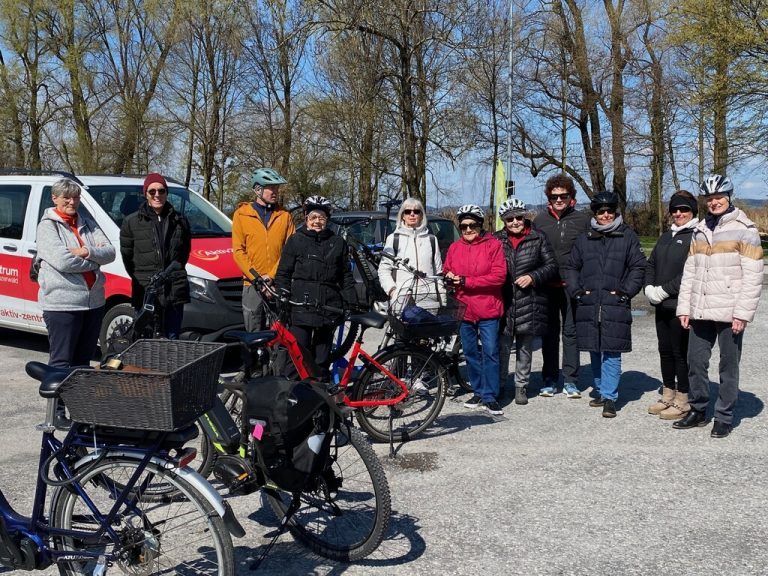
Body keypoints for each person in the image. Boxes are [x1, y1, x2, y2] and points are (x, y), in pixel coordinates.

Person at [673, 175, 763, 438]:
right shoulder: (700, 229)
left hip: (730, 310)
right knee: (695, 362)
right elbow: (690, 271)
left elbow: (753, 274)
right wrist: (684, 308)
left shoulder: (745, 229)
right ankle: (699, 409)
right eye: (709, 199)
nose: (714, 202)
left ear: (729, 197)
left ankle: (724, 415)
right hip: (701, 307)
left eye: (718, 197)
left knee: (728, 365)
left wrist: (743, 313)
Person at [564, 191, 646, 418]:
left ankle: (610, 397)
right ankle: (601, 390)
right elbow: (571, 267)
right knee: (594, 348)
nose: (606, 215)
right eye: (602, 212)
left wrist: (625, 291)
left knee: (611, 350)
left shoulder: (627, 236)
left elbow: (638, 267)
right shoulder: (584, 238)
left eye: (610, 211)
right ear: (595, 214)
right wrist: (577, 291)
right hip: (589, 302)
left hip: (614, 302)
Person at [274, 196, 357, 377]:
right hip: (301, 306)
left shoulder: (337, 243)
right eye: (313, 218)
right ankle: (292, 394)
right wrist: (282, 294)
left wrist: (352, 302)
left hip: (327, 307)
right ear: (306, 219)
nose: (317, 222)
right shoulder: (296, 240)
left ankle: (320, 397)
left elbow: (345, 276)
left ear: (327, 220)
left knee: (322, 358)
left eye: (321, 218)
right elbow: (283, 273)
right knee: (297, 355)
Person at [37, 178, 116, 367]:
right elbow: (63, 261)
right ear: (54, 198)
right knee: (61, 363)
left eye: (76, 197)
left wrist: (86, 251)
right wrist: (95, 262)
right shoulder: (47, 227)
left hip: (93, 303)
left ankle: (77, 398)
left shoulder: (88, 224)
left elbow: (110, 252)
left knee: (82, 363)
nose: (72, 202)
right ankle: (58, 398)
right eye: (67, 198)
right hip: (64, 306)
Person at [443, 204, 507, 416]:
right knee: (470, 352)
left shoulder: (493, 245)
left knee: (490, 352)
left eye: (472, 225)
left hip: (488, 307)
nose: (468, 230)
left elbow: (499, 277)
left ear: (480, 225)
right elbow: (447, 270)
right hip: (464, 309)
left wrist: (465, 281)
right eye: (464, 226)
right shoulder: (455, 247)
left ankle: (490, 395)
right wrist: (449, 279)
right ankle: (478, 390)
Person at [494, 198, 557, 406]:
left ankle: (521, 386)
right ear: (504, 221)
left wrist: (533, 276)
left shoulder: (538, 237)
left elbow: (551, 266)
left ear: (525, 217)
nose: (515, 222)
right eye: (510, 219)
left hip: (529, 300)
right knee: (502, 347)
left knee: (524, 348)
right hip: (504, 301)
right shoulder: (496, 240)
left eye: (519, 217)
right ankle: (500, 384)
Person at [533, 174, 590, 398]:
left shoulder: (582, 220)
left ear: (571, 197)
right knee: (549, 334)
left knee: (570, 332)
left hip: (572, 284)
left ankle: (571, 379)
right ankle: (548, 379)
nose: (559, 200)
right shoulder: (539, 220)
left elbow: (589, 252)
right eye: (554, 196)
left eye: (563, 196)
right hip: (547, 285)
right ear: (549, 197)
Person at [644, 190, 699, 420]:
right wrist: (649, 287)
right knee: (664, 351)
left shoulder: (696, 236)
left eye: (684, 209)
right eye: (675, 209)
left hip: (680, 306)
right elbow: (651, 264)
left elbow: (690, 271)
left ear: (693, 211)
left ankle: (683, 398)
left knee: (680, 353)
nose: (678, 213)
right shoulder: (666, 236)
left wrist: (664, 290)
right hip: (661, 306)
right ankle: (668, 392)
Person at [120, 173, 191, 339]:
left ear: (166, 192)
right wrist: (145, 278)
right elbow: (128, 258)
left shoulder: (180, 220)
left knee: (172, 340)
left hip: (174, 290)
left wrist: (173, 274)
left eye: (161, 191)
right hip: (146, 292)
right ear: (146, 194)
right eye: (152, 192)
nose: (157, 195)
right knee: (145, 342)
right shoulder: (131, 222)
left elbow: (184, 254)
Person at [232, 168, 295, 331]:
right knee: (253, 335)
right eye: (271, 187)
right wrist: (257, 278)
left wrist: (272, 276)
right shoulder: (241, 214)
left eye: (276, 188)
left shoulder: (285, 216)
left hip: (277, 283)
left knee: (279, 335)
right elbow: (238, 251)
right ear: (258, 189)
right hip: (252, 284)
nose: (275, 191)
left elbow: (290, 250)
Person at [378, 197, 443, 308]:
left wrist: (442, 297)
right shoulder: (393, 239)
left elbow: (438, 272)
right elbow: (383, 270)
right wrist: (393, 291)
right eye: (408, 212)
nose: (412, 214)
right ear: (403, 216)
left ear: (421, 215)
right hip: (402, 299)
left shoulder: (432, 239)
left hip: (429, 298)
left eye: (416, 211)